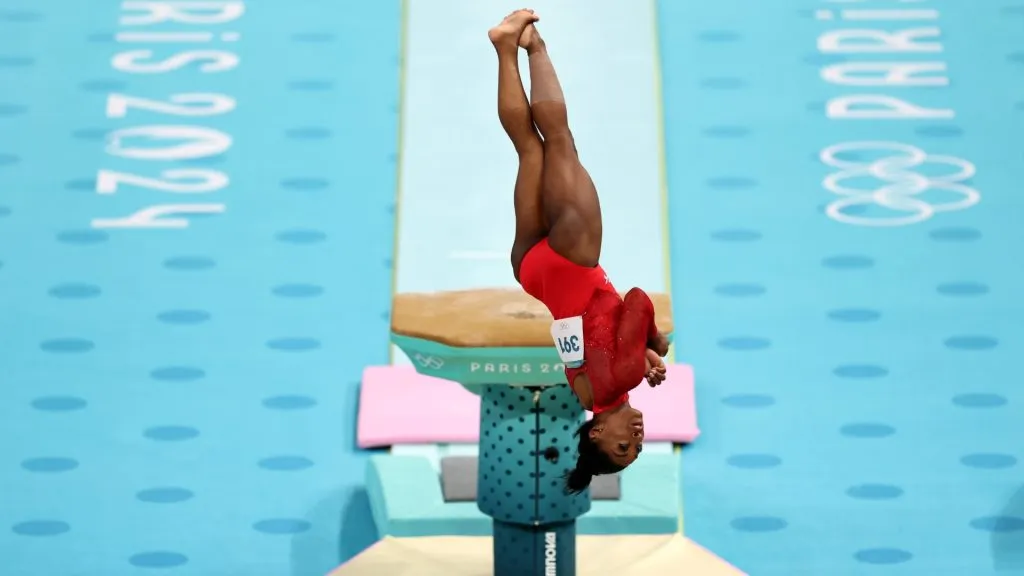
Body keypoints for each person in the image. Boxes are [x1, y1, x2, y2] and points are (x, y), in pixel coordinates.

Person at [488, 10, 671, 494]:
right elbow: (598, 339)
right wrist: (641, 351)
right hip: (533, 273)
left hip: (573, 261)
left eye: (622, 446)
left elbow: (636, 301)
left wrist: (655, 344)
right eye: (638, 447)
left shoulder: (622, 380)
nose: (637, 437)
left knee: (559, 142)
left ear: (595, 433)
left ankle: (535, 47)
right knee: (529, 149)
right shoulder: (588, 393)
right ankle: (506, 47)